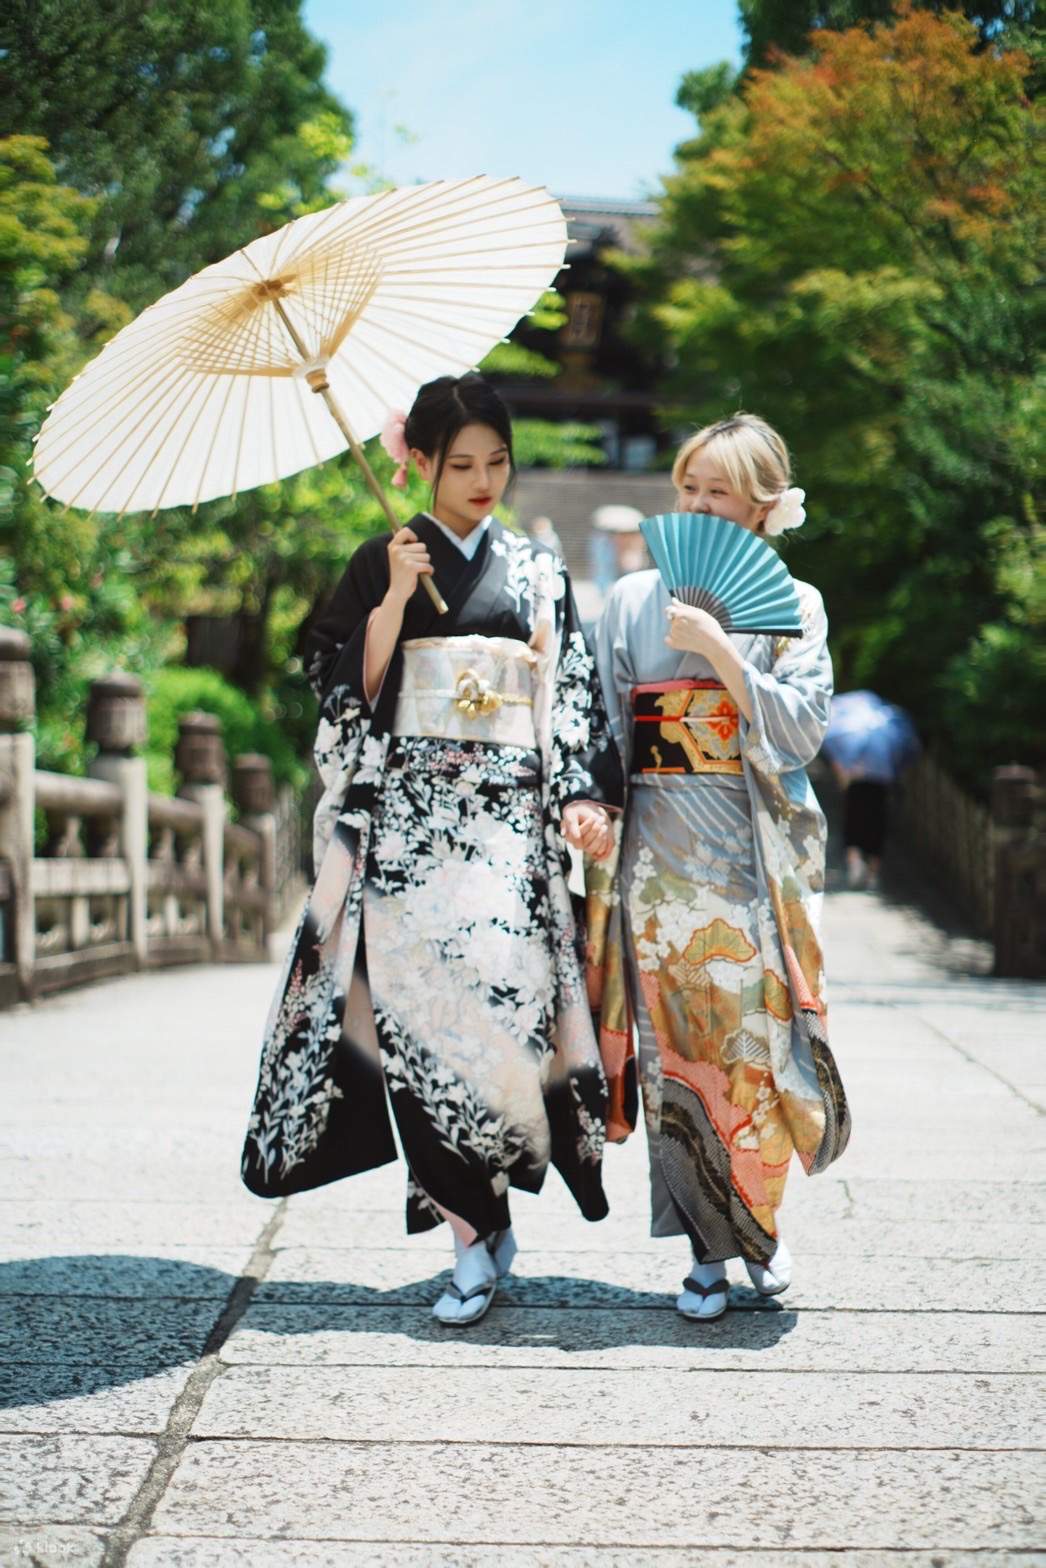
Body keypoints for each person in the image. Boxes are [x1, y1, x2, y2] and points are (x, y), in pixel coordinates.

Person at [241, 372, 622, 1327]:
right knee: (421, 1031)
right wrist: (394, 601)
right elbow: (342, 697)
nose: (483, 479)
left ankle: (491, 1207)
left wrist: (580, 794)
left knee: (500, 1021)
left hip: (504, 829)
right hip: (412, 836)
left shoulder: (537, 569)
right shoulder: (383, 558)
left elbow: (567, 692)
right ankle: (466, 1236)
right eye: (462, 464)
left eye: (498, 461)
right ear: (421, 461)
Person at [589, 413, 851, 1322]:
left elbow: (803, 729)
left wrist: (723, 654)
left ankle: (756, 1229)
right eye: (689, 489)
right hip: (659, 867)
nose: (699, 505)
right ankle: (706, 1251)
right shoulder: (628, 601)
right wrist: (594, 813)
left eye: (720, 493)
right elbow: (602, 736)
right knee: (680, 1064)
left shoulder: (799, 605)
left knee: (753, 1056)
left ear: (764, 506)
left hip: (750, 866)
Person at [820, 690, 920, 890]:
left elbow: (841, 762)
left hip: (857, 782)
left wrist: (843, 777)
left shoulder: (853, 731)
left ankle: (854, 860)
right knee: (877, 824)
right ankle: (873, 872)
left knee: (854, 821)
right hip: (881, 784)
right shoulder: (886, 731)